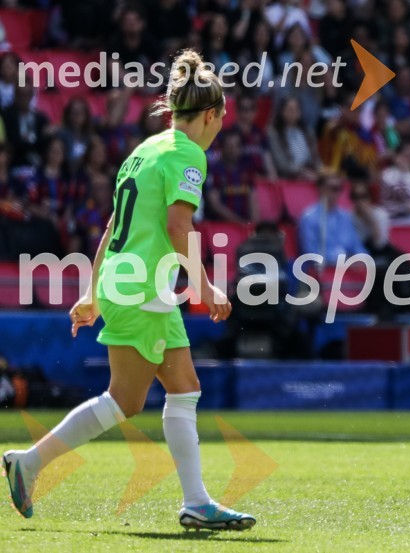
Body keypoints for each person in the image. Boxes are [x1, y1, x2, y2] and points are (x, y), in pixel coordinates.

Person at [2, 49, 256, 531]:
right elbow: (179, 226)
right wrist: (205, 287)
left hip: (133, 282)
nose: (221, 125)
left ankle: (197, 502)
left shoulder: (145, 150)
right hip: (143, 286)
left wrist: (94, 291)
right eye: (221, 117)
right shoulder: (188, 154)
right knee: (125, 399)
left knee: (182, 389)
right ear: (210, 114)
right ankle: (28, 462)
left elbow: (116, 224)